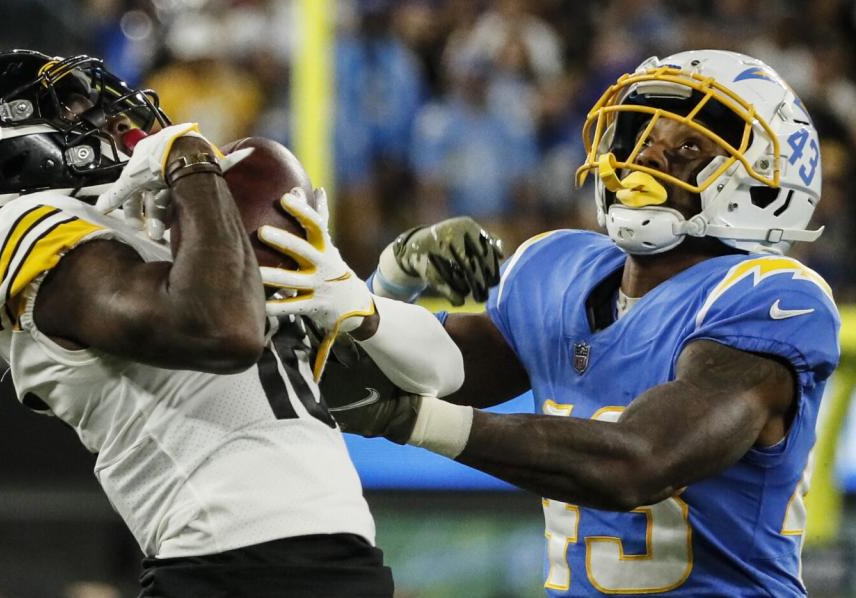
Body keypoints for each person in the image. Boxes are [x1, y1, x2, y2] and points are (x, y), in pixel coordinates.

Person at [0, 50, 473, 597]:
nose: (100, 117)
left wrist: (363, 292)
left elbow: (435, 377)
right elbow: (222, 329)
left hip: (335, 558)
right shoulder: (14, 233)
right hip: (232, 566)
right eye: (71, 108)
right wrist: (190, 165)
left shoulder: (156, 235)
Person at [262, 50, 840, 596]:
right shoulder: (558, 268)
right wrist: (389, 281)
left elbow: (638, 462)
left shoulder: (773, 298)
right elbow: (413, 376)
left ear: (764, 184)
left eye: (689, 145)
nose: (647, 157)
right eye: (639, 135)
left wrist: (416, 422)